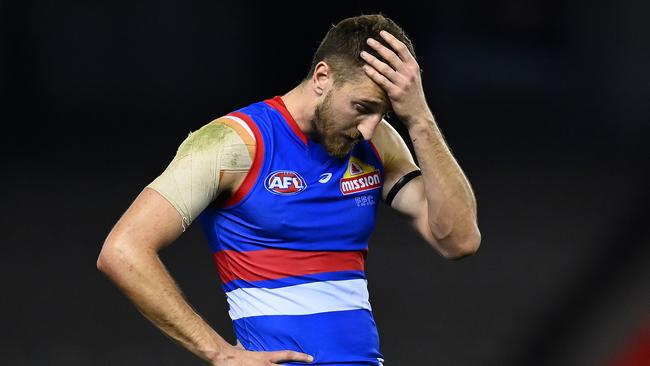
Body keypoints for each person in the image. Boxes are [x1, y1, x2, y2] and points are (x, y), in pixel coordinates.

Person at [97, 14, 480, 366]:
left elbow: (459, 240)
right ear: (322, 77)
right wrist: (220, 354)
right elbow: (122, 249)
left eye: (383, 113)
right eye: (362, 106)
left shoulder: (377, 141)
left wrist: (421, 119)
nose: (368, 127)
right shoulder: (234, 144)